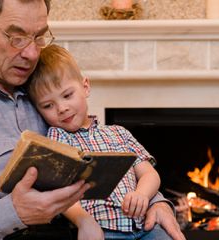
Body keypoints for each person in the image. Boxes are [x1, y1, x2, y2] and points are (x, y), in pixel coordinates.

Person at [0, 0, 185, 239]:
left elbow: (103, 155)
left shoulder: (43, 91)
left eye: (39, 36)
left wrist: (156, 202)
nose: (32, 54)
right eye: (17, 38)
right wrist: (12, 212)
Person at [27, 44, 186, 240]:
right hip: (102, 231)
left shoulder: (118, 133)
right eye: (48, 105)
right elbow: (59, 192)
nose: (61, 108)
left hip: (143, 226)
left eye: (68, 95)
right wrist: (82, 221)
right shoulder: (56, 139)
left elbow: (149, 173)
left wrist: (142, 195)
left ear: (85, 87)